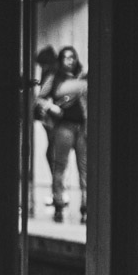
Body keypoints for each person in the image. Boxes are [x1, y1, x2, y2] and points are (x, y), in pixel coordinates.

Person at [36, 46, 88, 223]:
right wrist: (51, 107)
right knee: (60, 165)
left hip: (82, 126)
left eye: (72, 57)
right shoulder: (55, 78)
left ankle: (86, 204)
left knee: (85, 167)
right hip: (63, 126)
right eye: (66, 57)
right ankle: (58, 201)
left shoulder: (82, 77)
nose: (70, 61)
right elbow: (40, 98)